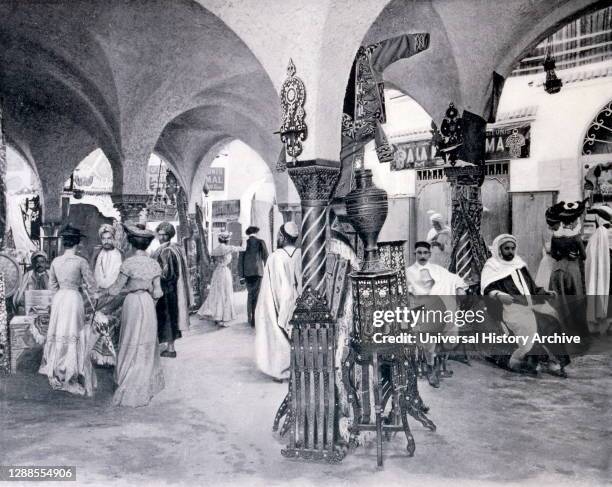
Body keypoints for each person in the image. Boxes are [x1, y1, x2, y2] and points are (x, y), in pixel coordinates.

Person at [481, 234, 569, 376]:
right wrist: (498, 295)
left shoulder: (519, 264)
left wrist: (546, 293)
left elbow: (532, 288)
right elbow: (487, 289)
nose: (510, 251)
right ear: (499, 250)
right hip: (510, 309)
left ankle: (559, 362)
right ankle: (534, 359)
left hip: (530, 305)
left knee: (551, 321)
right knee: (528, 326)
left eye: (512, 248)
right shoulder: (492, 266)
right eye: (506, 248)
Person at [101, 223, 164, 407]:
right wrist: (150, 299)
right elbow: (158, 292)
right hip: (147, 304)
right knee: (146, 341)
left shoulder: (128, 263)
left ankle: (127, 379)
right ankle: (143, 385)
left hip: (132, 304)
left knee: (129, 340)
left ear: (131, 244)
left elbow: (114, 290)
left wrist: (100, 294)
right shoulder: (154, 264)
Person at [39, 225, 99, 396]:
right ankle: (70, 376)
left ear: (63, 243)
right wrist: (95, 293)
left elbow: (52, 286)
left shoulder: (56, 262)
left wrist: (58, 296)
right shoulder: (81, 262)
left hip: (59, 299)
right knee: (73, 333)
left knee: (60, 333)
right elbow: (92, 285)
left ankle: (59, 372)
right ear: (77, 243)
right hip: (73, 299)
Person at [405, 241, 466, 387]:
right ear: (415, 254)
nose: (422, 256)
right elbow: (406, 293)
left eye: (425, 253)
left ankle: (439, 356)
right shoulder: (408, 272)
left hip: (442, 307)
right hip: (421, 307)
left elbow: (455, 278)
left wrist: (459, 288)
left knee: (451, 337)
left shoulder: (437, 269)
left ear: (429, 254)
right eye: (419, 252)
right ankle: (430, 367)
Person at [255, 222, 301, 382]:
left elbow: (274, 286)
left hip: (282, 300)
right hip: (299, 300)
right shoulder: (300, 253)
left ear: (282, 237)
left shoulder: (275, 257)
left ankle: (282, 370)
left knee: (278, 333)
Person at [548, 201, 590, 351]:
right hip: (571, 272)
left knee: (559, 304)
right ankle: (578, 339)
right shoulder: (576, 237)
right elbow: (583, 256)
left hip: (557, 270)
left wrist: (563, 253)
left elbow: (553, 254)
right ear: (574, 222)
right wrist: (575, 253)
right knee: (576, 303)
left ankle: (560, 338)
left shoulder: (555, 237)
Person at [152, 222, 191, 358]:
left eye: (163, 234)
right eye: (159, 234)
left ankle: (170, 348)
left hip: (167, 290)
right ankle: (168, 347)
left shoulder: (168, 251)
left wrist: (155, 277)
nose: (160, 237)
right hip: (169, 290)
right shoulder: (170, 248)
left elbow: (169, 275)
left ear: (168, 235)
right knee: (166, 319)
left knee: (167, 319)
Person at [90, 223, 124, 366]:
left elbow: (118, 280)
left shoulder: (119, 254)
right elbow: (94, 275)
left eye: (109, 238)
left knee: (109, 323)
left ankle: (111, 359)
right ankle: (98, 358)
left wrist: (107, 292)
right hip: (99, 294)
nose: (107, 242)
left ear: (114, 238)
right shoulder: (98, 254)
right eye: (104, 239)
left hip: (114, 296)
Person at [197, 232, 242, 327]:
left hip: (217, 272)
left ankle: (216, 316)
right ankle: (221, 318)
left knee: (216, 293)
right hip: (224, 272)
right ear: (226, 240)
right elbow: (240, 248)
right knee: (225, 293)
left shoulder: (215, 250)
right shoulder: (228, 248)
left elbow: (212, 262)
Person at [585, 205, 612, 334]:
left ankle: (599, 325)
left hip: (601, 272)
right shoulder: (607, 233)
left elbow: (589, 256)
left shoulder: (596, 235)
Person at [239, 226, 268, 328]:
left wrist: (241, 276)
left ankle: (249, 317)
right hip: (258, 272)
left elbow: (240, 260)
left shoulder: (243, 243)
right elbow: (266, 258)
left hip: (247, 273)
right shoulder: (261, 242)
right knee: (256, 295)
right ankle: (254, 319)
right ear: (256, 232)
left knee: (250, 294)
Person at [13, 250, 49, 315]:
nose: (39, 264)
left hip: (47, 307)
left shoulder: (50, 276)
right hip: (31, 308)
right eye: (37, 262)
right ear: (33, 263)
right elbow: (20, 296)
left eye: (42, 262)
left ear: (46, 263)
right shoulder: (28, 276)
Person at [535, 207, 561, 290]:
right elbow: (548, 249)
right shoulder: (547, 230)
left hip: (557, 262)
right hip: (549, 262)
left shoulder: (560, 230)